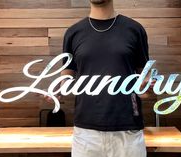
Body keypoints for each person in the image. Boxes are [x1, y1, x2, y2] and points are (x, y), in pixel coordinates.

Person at [45, 0, 153, 156]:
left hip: (127, 131)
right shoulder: (73, 33)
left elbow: (145, 87)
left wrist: (147, 86)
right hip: (86, 134)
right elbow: (66, 81)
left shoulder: (134, 30)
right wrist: (56, 92)